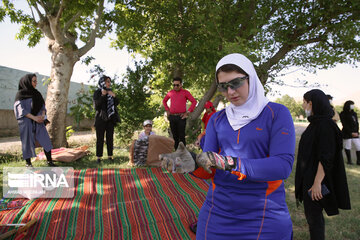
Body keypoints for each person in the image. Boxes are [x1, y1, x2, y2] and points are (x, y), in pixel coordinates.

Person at [160, 53, 296, 239]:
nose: (230, 92)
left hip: (263, 213)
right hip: (217, 213)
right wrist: (192, 164)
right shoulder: (217, 119)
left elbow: (282, 166)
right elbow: (211, 168)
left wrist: (228, 162)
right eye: (223, 86)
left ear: (251, 78)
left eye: (236, 83)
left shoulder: (276, 113)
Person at [295, 89, 351, 240]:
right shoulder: (316, 123)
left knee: (314, 219)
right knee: (312, 216)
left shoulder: (325, 125)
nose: (303, 105)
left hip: (316, 180)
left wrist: (317, 183)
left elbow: (326, 157)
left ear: (311, 103)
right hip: (309, 176)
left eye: (304, 102)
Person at [14, 73, 55, 167]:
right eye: (34, 81)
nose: (36, 83)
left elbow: (42, 106)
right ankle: (28, 163)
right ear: (27, 81)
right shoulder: (20, 94)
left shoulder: (37, 93)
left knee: (46, 140)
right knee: (27, 142)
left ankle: (50, 161)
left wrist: (43, 115)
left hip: (39, 122)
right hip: (26, 122)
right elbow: (20, 110)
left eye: (36, 81)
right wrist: (34, 118)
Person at [162, 77, 197, 150]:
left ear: (181, 85)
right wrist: (167, 110)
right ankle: (176, 153)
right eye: (174, 85)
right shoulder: (170, 92)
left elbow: (194, 102)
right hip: (172, 117)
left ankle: (183, 153)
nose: (175, 87)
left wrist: (188, 112)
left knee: (181, 136)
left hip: (181, 117)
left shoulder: (185, 92)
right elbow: (164, 101)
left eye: (177, 85)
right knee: (175, 137)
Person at [93, 75, 120, 164]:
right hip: (100, 119)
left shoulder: (110, 92)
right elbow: (96, 106)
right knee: (100, 139)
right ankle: (99, 157)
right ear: (102, 82)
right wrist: (103, 95)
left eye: (109, 81)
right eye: (107, 81)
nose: (109, 83)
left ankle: (110, 156)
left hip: (110, 119)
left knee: (110, 138)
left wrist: (114, 96)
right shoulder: (97, 92)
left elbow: (116, 103)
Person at [339, 100, 360, 165]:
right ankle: (349, 161)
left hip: (355, 133)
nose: (352, 106)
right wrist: (351, 133)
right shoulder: (343, 114)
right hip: (347, 133)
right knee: (348, 146)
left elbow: (357, 123)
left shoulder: (354, 114)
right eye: (351, 104)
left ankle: (358, 161)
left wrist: (356, 132)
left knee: (358, 146)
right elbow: (344, 124)